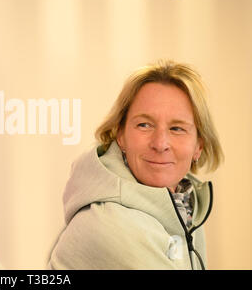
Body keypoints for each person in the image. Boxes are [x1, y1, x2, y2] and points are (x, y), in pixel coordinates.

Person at [48, 60, 224, 270]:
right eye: (144, 125)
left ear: (199, 146)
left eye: (177, 128)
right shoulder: (110, 224)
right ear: (120, 135)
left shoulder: (185, 209)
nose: (160, 144)